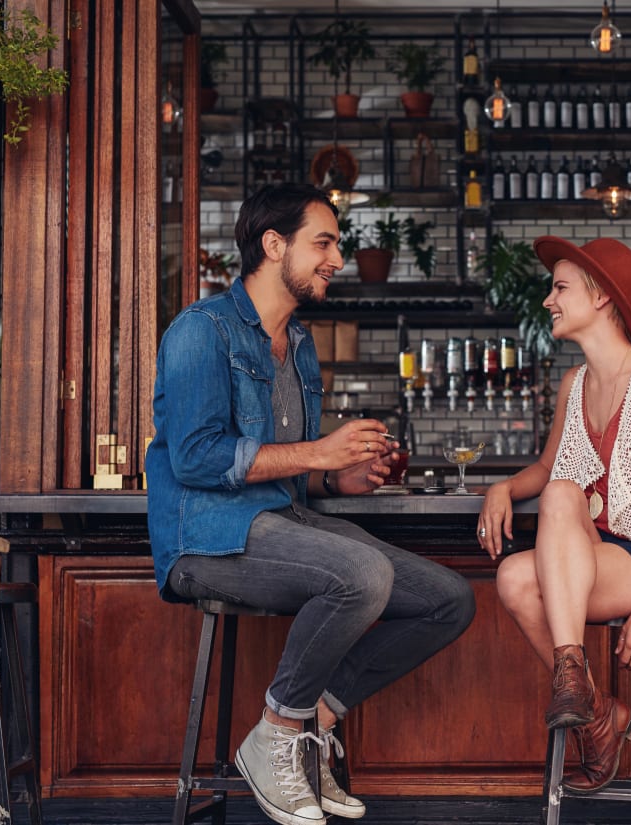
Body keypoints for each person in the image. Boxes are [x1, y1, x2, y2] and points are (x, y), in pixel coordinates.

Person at [145, 183, 475, 825]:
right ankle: (273, 735)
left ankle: (310, 725)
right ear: (274, 245)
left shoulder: (297, 345)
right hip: (205, 540)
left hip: (282, 522)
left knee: (448, 599)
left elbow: (289, 470)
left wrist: (338, 479)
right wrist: (319, 454)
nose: (336, 259)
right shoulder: (201, 331)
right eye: (322, 243)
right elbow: (196, 458)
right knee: (362, 574)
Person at [476, 235, 631, 792]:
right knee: (513, 574)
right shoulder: (575, 383)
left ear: (602, 298)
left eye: (559, 288)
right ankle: (597, 707)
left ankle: (586, 703)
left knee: (561, 498)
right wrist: (503, 488)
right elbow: (546, 467)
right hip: (599, 553)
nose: (548, 301)